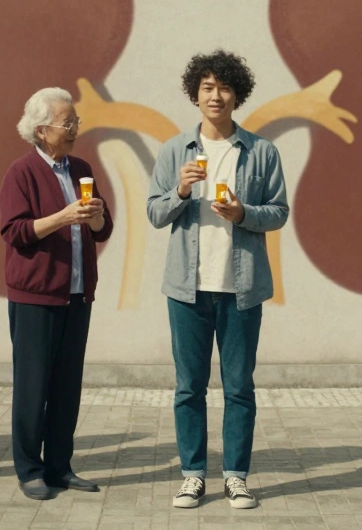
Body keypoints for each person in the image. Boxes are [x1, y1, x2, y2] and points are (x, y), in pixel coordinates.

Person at [147, 50, 289, 510]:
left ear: (237, 94)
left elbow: (279, 212)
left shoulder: (262, 151)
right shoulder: (175, 150)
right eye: (207, 87)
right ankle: (192, 474)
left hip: (241, 289)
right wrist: (182, 191)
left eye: (224, 87)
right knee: (189, 386)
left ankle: (235, 476)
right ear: (196, 94)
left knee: (238, 387)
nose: (216, 95)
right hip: (186, 289)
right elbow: (154, 212)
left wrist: (243, 213)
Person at [0, 88, 114, 500]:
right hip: (35, 297)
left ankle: (60, 466)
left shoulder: (81, 167)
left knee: (67, 386)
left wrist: (98, 218)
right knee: (33, 386)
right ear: (41, 128)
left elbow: (103, 230)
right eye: (68, 123)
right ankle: (30, 469)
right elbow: (15, 232)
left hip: (77, 294)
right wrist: (62, 217)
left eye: (76, 122)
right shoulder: (21, 172)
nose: (75, 129)